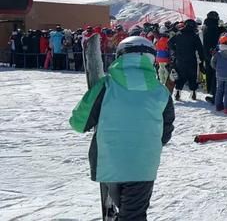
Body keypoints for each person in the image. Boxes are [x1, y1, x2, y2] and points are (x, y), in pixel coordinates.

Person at [69, 36, 175, 220]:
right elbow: (165, 133)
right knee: (133, 214)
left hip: (109, 163)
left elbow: (78, 122)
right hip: (143, 166)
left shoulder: (106, 86)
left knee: (126, 212)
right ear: (152, 58)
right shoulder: (161, 92)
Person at [168, 19, 206, 101]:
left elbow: (169, 43)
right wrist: (202, 60)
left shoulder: (178, 34)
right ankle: (193, 93)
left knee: (180, 76)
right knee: (192, 76)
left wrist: (175, 50)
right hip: (191, 59)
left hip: (180, 60)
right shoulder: (195, 35)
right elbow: (200, 49)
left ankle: (178, 92)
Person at [202, 11, 221, 98]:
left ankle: (209, 89)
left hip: (206, 51)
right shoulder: (214, 27)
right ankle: (213, 91)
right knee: (214, 72)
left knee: (209, 71)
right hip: (213, 51)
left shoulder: (206, 27)